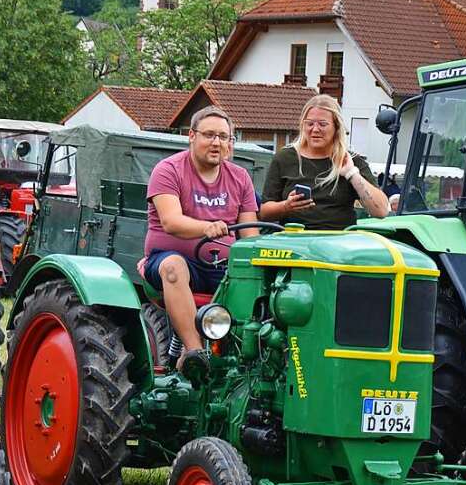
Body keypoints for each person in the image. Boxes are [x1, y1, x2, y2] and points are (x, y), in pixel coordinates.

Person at [143, 108, 258, 376]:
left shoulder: (240, 177)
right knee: (173, 266)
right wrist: (207, 228)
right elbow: (171, 222)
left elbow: (251, 235)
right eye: (209, 135)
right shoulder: (168, 170)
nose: (216, 142)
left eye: (223, 137)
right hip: (172, 261)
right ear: (191, 136)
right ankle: (195, 353)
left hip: (223, 267)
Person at [260, 95, 389, 229]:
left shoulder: (350, 159)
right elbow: (264, 213)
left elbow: (381, 211)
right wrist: (286, 206)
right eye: (309, 124)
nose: (315, 129)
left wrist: (352, 174)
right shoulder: (284, 158)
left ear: (336, 127)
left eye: (323, 124)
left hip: (338, 241)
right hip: (295, 240)